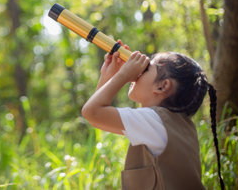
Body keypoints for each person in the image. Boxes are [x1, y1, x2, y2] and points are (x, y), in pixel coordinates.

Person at [81, 44, 224, 190]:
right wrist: (108, 77)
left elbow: (92, 113)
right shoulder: (174, 125)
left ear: (162, 86)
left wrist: (122, 75)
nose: (137, 72)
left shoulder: (154, 121)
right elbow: (100, 120)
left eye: (146, 68)